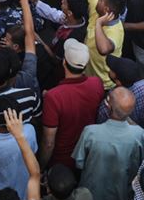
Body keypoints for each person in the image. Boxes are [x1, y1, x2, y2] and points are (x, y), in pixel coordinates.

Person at [73, 87, 144, 200]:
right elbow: (141, 164)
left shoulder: (90, 132)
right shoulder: (139, 134)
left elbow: (79, 163)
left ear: (108, 106)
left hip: (91, 199)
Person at [40, 38, 105, 169]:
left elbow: (48, 143)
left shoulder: (53, 97)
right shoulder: (97, 83)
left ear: (64, 62)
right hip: (86, 153)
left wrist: (40, 167)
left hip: (61, 161)